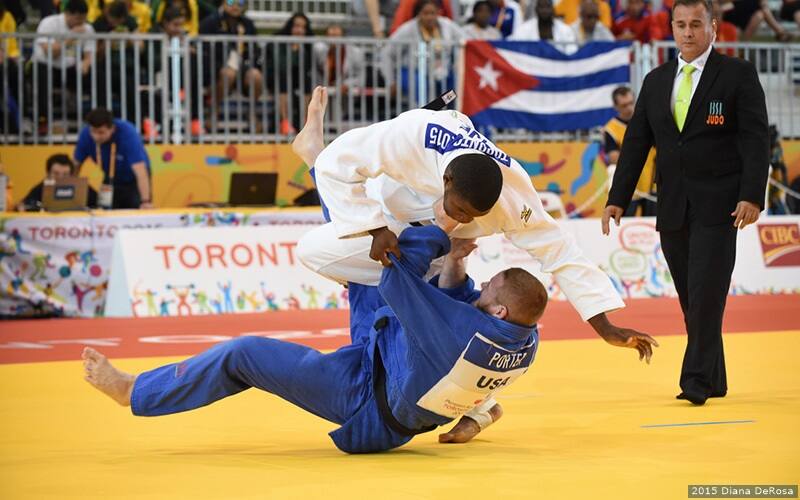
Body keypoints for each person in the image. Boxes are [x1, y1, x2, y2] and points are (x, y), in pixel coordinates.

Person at [82, 220, 548, 453]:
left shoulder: (458, 330)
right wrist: (458, 265)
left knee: (245, 354)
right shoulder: (527, 341)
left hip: (369, 401)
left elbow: (399, 272)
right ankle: (483, 410)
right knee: (367, 278)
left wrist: (444, 233)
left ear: (500, 309)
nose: (482, 287)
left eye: (489, 288)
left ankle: (134, 392)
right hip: (396, 361)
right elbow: (462, 305)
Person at [293, 86, 658, 364]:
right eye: (459, 209)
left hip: (430, 238)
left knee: (411, 300)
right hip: (388, 203)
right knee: (323, 252)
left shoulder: (515, 197)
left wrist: (605, 327)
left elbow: (562, 253)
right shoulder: (412, 137)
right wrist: (375, 229)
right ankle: (312, 151)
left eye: (472, 217)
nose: (461, 219)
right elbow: (337, 166)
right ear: (447, 181)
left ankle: (312, 153)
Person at [603, 0, 769, 405]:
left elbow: (755, 138)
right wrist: (617, 199)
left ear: (712, 26)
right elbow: (637, 143)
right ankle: (716, 377)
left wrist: (752, 194)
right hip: (673, 204)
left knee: (706, 292)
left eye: (696, 24)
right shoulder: (657, 80)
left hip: (721, 204)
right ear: (672, 28)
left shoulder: (737, 74)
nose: (688, 32)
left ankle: (695, 382)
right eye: (681, 25)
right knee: (691, 298)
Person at [32, 0, 96, 134]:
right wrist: (71, 36)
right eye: (78, 19)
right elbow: (51, 53)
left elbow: (89, 54)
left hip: (70, 67)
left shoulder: (87, 28)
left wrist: (86, 64)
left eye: (83, 19)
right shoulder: (49, 23)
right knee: (40, 74)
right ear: (67, 14)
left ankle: (96, 120)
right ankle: (43, 121)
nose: (80, 23)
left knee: (98, 75)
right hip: (46, 65)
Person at [73, 108, 153, 209]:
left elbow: (140, 170)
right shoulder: (86, 134)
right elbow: (76, 165)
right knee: (105, 209)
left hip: (133, 178)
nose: (96, 137)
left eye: (101, 132)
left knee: (136, 208)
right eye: (93, 131)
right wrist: (70, 191)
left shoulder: (127, 132)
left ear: (112, 129)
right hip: (110, 177)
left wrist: (145, 201)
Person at [603, 86, 656, 216]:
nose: (629, 108)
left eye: (631, 103)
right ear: (616, 107)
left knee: (653, 226)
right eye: (624, 105)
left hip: (651, 184)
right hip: (627, 187)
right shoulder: (611, 128)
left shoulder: (648, 121)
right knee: (623, 225)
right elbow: (613, 157)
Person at [18, 154, 99, 211]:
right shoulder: (43, 187)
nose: (60, 178)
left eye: (65, 174)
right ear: (48, 174)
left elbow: (99, 204)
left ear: (71, 175)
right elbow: (24, 204)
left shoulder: (81, 187)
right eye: (56, 174)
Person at [510, 0, 578, 49]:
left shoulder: (565, 30)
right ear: (536, 10)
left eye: (548, 7)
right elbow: (517, 49)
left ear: (553, 10)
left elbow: (571, 52)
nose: (545, 11)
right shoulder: (524, 30)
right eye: (541, 7)